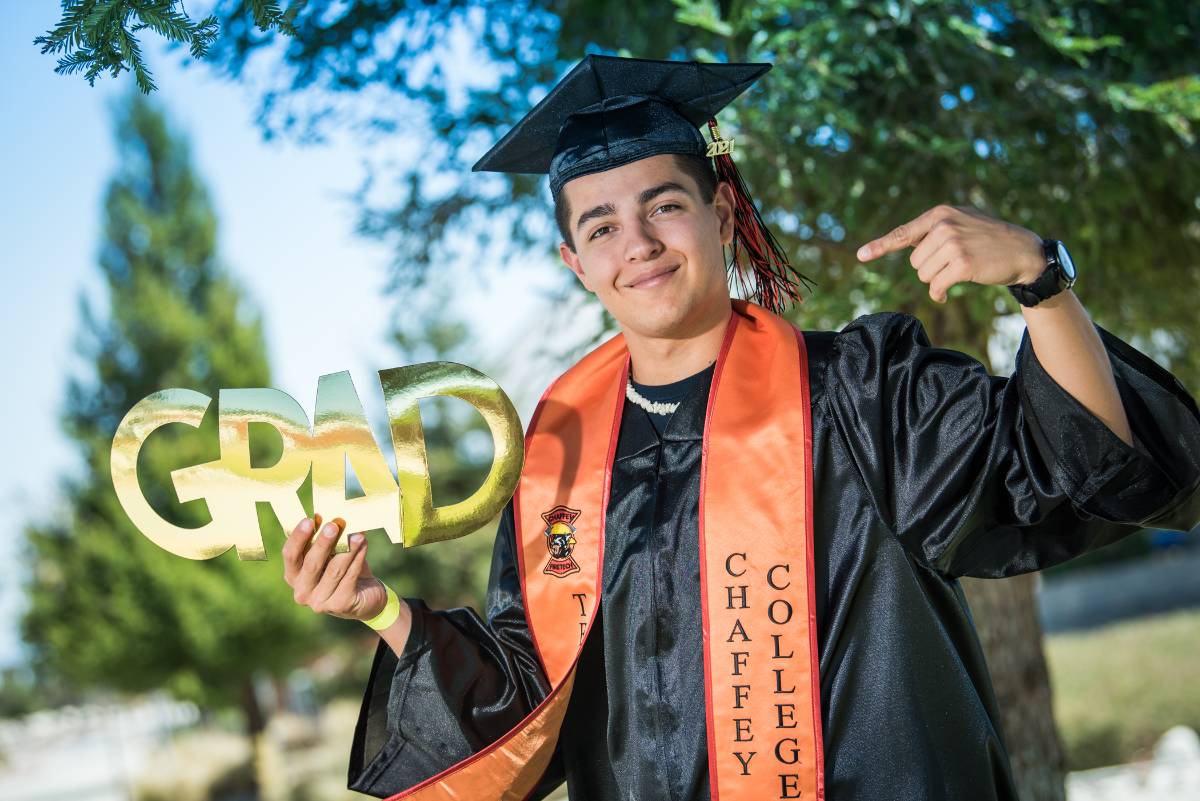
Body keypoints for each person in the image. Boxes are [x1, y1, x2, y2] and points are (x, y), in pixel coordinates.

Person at [280, 55, 1200, 801]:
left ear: (721, 214)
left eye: (664, 204)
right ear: (574, 262)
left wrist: (1040, 279)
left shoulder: (861, 389)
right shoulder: (560, 460)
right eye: (599, 225)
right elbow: (532, 702)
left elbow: (1082, 459)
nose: (636, 242)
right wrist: (382, 611)